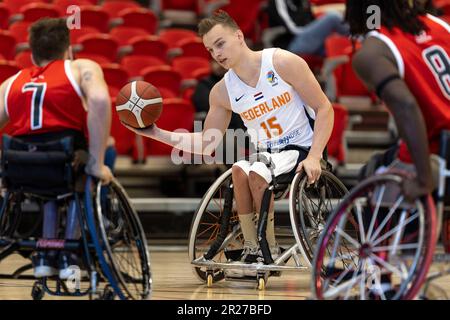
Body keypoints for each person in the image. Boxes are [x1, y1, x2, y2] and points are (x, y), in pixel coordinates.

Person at [126, 10, 334, 266]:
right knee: (238, 168)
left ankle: (268, 247)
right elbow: (206, 144)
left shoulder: (283, 62)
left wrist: (314, 156)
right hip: (269, 154)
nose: (217, 54)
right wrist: (155, 133)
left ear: (239, 36)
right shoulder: (222, 91)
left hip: (303, 148)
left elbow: (325, 108)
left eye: (220, 44)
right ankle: (251, 245)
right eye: (210, 50)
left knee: (257, 170)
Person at [346, 0, 450, 297]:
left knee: (374, 173)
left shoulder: (372, 52)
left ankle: (381, 276)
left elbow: (406, 106)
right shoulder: (440, 24)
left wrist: (423, 179)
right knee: (385, 160)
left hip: (440, 152)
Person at [0, 18, 113, 279]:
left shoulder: (11, 82)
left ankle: (44, 254)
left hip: (21, 169)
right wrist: (96, 161)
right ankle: (68, 254)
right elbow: (98, 98)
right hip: (65, 163)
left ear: (31, 53)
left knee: (51, 187)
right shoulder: (79, 68)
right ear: (68, 50)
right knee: (80, 168)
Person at [269, 0, 349, 56]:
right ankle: (358, 36)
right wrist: (316, 31)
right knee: (333, 17)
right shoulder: (278, 1)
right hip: (291, 44)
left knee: (340, 48)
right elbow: (293, 29)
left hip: (306, 39)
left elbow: (311, 20)